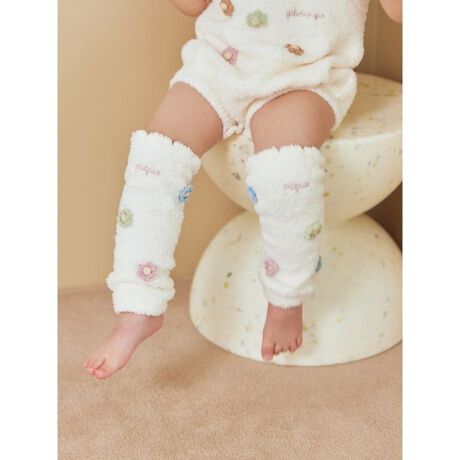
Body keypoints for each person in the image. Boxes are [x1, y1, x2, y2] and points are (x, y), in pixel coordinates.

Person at [84, 0, 402, 379]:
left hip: (302, 78)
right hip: (218, 66)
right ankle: (137, 305)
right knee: (155, 158)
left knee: (286, 172)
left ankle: (286, 297)